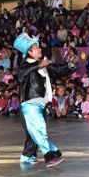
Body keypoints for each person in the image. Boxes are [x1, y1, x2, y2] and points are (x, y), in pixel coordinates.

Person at [14, 33, 75, 167]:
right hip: (31, 103)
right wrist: (39, 64)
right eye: (36, 49)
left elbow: (58, 70)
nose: (40, 49)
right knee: (39, 130)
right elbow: (21, 74)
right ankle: (49, 155)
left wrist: (70, 65)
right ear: (29, 52)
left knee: (33, 132)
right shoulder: (25, 65)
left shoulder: (44, 64)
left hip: (40, 103)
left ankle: (27, 157)